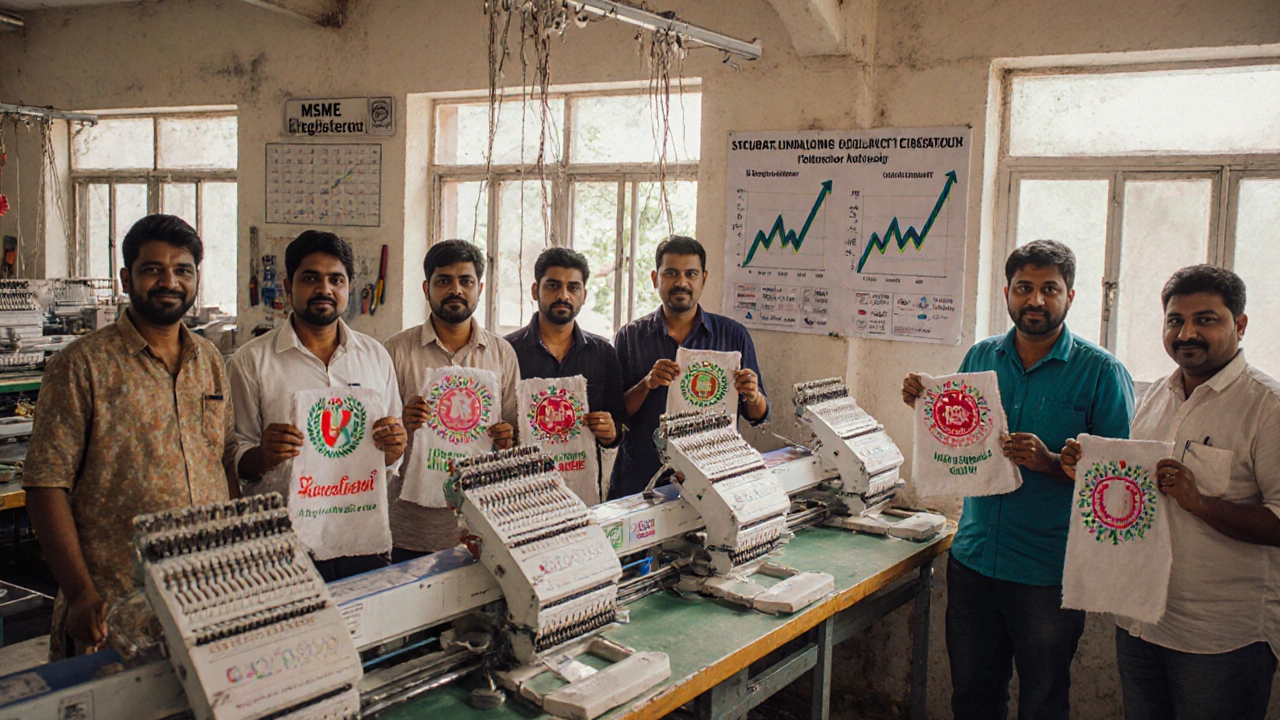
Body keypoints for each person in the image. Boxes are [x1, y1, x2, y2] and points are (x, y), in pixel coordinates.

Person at [901, 239, 1134, 720]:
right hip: (974, 561)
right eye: (1024, 288)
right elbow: (957, 435)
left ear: (1071, 296)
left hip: (1047, 572)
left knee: (1044, 701)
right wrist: (926, 404)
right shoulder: (982, 356)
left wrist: (1051, 463)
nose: (1036, 300)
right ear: (1007, 292)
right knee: (972, 697)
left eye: (1050, 289)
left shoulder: (1102, 373)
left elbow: (1120, 483)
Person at [1061, 265, 1280, 720]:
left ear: (1239, 325)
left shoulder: (1266, 407)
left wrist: (1200, 503)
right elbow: (1142, 496)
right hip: (1141, 623)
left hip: (1221, 639)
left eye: (1206, 320)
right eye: (1176, 320)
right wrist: (1088, 472)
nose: (1188, 333)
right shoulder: (1158, 396)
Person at [23, 214, 238, 660]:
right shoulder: (82, 366)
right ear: (126, 277)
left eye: (183, 270)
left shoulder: (211, 361)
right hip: (113, 609)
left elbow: (221, 462)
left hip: (202, 597)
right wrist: (80, 592)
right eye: (152, 269)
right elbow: (46, 485)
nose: (169, 282)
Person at [228, 230, 406, 582]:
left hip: (359, 537)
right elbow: (236, 457)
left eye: (335, 279)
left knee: (364, 634)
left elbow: (388, 456)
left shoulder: (375, 357)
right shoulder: (252, 361)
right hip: (281, 545)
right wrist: (264, 455)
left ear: (349, 287)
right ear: (287, 285)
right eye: (310, 278)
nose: (323, 289)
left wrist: (394, 447)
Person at [384, 239, 519, 560]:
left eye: (466, 281)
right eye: (443, 280)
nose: (455, 290)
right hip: (410, 525)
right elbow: (376, 440)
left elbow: (516, 431)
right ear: (426, 287)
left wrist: (506, 437)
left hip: (483, 523)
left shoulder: (501, 353)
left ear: (480, 288)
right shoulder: (395, 350)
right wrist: (401, 424)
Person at [612, 235, 768, 499]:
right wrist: (647, 384)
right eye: (671, 273)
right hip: (641, 481)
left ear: (703, 279)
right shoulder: (630, 336)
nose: (681, 283)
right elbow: (616, 414)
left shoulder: (734, 336)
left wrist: (752, 394)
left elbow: (758, 415)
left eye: (690, 274)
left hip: (712, 481)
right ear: (655, 278)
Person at [504, 247, 626, 504]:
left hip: (584, 495)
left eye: (573, 287)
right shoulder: (507, 352)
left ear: (583, 295)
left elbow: (617, 424)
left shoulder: (603, 352)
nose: (563, 295)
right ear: (535, 291)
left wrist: (610, 433)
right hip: (520, 494)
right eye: (553, 286)